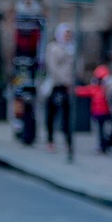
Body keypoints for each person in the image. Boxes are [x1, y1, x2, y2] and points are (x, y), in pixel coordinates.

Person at [42, 22, 75, 152]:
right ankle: (50, 140)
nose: (67, 37)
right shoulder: (53, 48)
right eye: (65, 34)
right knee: (51, 113)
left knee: (67, 115)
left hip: (68, 86)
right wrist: (64, 80)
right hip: (56, 85)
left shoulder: (72, 48)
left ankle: (68, 141)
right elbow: (52, 67)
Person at [87, 63, 112, 153]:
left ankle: (106, 143)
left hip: (105, 113)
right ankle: (102, 144)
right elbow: (85, 91)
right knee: (101, 130)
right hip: (98, 113)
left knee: (106, 129)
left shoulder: (107, 88)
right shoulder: (95, 88)